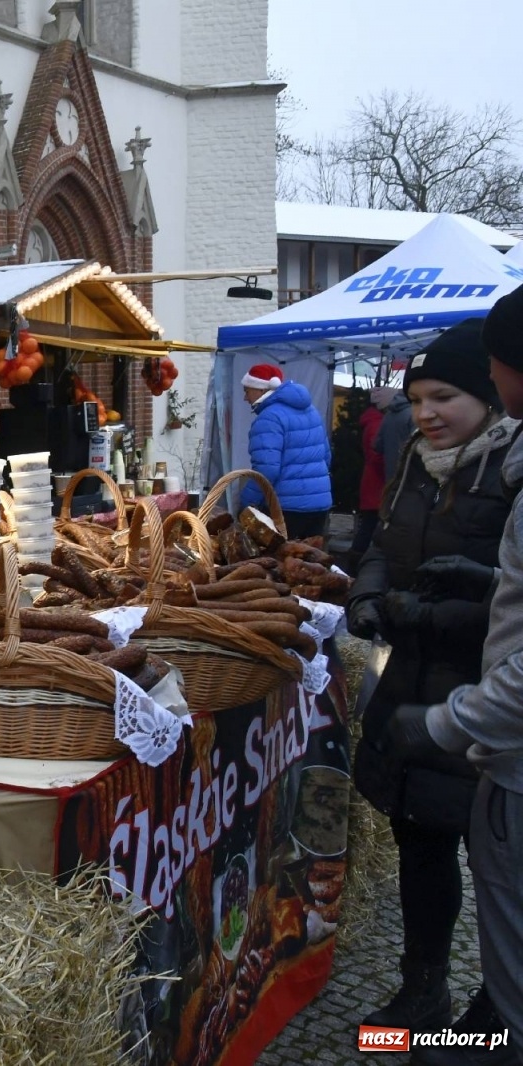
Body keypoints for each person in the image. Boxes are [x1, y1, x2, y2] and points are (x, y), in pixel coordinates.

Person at [346, 317, 521, 1039]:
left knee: (496, 871)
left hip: (481, 700)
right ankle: (423, 993)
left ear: (487, 394)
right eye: (416, 398)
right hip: (412, 684)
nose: (426, 414)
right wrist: (368, 592)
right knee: (420, 850)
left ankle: (495, 1011)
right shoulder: (417, 459)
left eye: (443, 396)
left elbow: (508, 606)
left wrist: (451, 605)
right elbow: (384, 543)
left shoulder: (511, 469)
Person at [240, 364, 333, 538]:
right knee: (311, 560)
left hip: (286, 507)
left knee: (280, 561)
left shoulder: (269, 418)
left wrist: (247, 501)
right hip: (319, 503)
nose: (245, 397)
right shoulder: (311, 411)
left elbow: (267, 471)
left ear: (261, 390)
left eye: (247, 390)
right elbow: (326, 457)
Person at [350, 396, 387, 562]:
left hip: (374, 483)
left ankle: (357, 559)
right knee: (370, 525)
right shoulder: (376, 424)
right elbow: (376, 456)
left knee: (370, 524)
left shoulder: (375, 422)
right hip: (377, 484)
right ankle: (356, 563)